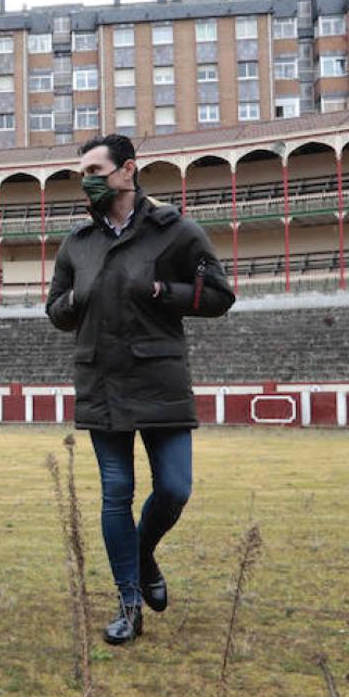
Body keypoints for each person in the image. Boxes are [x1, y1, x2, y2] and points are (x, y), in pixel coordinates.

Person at [45, 133, 234, 645]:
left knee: (175, 488)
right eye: (81, 173)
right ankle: (129, 601)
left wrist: (161, 291)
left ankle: (143, 553)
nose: (87, 181)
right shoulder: (77, 245)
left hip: (160, 379)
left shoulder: (175, 232)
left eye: (96, 171)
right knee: (116, 495)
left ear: (129, 170)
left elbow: (220, 294)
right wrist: (73, 302)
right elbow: (55, 309)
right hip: (102, 382)